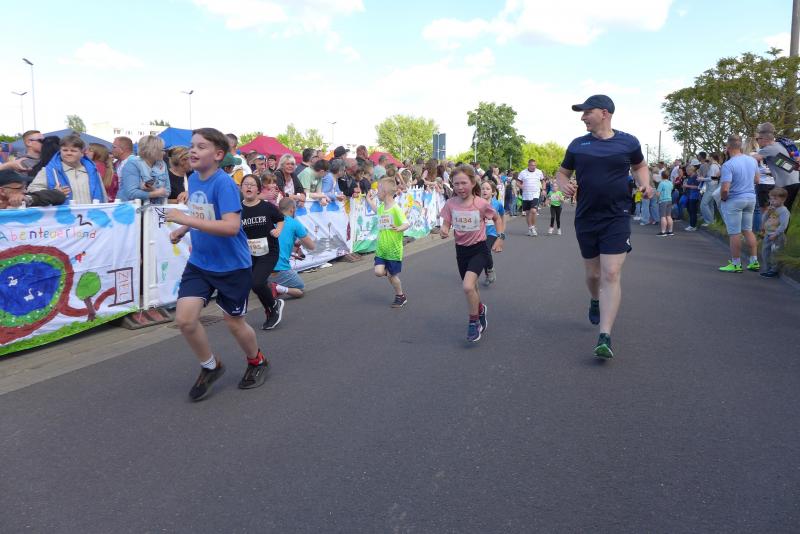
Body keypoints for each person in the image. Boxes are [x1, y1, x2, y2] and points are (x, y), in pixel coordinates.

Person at [165, 127, 266, 400]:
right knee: (185, 320)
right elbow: (203, 214)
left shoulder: (224, 184)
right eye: (192, 145)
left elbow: (231, 227)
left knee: (234, 323)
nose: (193, 150)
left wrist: (184, 220)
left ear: (218, 154)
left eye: (201, 146)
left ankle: (257, 360)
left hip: (231, 266)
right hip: (200, 262)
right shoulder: (193, 179)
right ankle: (211, 366)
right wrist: (183, 230)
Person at [556, 94, 653, 359]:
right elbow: (562, 172)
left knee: (611, 273)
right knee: (593, 275)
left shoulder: (628, 142)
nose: (582, 117)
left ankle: (605, 336)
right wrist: (563, 184)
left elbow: (640, 166)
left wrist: (645, 183)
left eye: (587, 112)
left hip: (617, 216)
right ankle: (595, 299)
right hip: (586, 216)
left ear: (604, 113)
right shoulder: (578, 145)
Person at [439, 165, 504, 343]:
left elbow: (497, 218)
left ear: (473, 182)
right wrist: (444, 230)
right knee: (472, 288)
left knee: (467, 286)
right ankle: (480, 309)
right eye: (456, 184)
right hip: (461, 251)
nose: (460, 187)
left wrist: (500, 238)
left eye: (464, 183)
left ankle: (473, 322)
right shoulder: (451, 203)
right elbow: (446, 223)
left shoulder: (481, 203)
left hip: (479, 249)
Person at [240, 174, 286, 329]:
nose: (249, 187)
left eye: (252, 185)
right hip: (250, 253)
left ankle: (273, 306)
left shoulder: (266, 207)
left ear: (258, 190)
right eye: (246, 184)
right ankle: (271, 309)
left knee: (257, 283)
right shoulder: (238, 210)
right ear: (241, 188)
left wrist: (278, 230)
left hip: (269, 251)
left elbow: (280, 219)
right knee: (256, 284)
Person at [718, 134, 759, 273]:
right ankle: (754, 261)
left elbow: (725, 189)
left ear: (728, 146)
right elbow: (757, 180)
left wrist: (723, 198)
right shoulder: (752, 160)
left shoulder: (728, 165)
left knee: (734, 232)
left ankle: (736, 263)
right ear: (740, 145)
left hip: (734, 199)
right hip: (751, 198)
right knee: (747, 230)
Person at [366, 178, 410, 307]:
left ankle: (400, 296)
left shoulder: (395, 209)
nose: (376, 193)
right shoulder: (381, 207)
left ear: (384, 192)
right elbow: (376, 210)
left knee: (392, 277)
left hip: (393, 250)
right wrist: (369, 200)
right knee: (378, 272)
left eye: (378, 190)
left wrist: (399, 228)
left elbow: (406, 223)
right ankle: (390, 273)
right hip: (381, 249)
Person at [29, 134, 107, 204]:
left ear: (82, 153)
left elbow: (103, 195)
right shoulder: (48, 171)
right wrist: (53, 193)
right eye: (65, 150)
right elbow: (32, 189)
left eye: (73, 151)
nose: (68, 153)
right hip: (64, 215)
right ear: (60, 151)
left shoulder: (92, 171)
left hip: (91, 214)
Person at [269, 197, 316, 298]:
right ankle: (278, 288)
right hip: (279, 268)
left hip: (262, 268)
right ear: (292, 209)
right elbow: (311, 246)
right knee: (301, 290)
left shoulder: (269, 220)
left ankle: (271, 285)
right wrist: (302, 241)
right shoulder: (294, 223)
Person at [118, 135, 170, 205]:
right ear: (152, 150)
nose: (164, 153)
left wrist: (154, 190)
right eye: (162, 150)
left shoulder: (162, 164)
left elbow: (168, 191)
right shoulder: (133, 164)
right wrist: (155, 193)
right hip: (133, 209)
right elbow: (131, 193)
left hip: (155, 208)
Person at [759, 187, 791, 278]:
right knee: (765, 252)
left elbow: (783, 225)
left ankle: (774, 270)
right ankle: (767, 268)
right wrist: (767, 213)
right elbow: (764, 219)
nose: (772, 201)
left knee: (775, 253)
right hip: (768, 234)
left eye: (775, 199)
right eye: (771, 199)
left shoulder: (784, 211)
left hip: (777, 236)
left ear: (783, 199)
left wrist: (776, 234)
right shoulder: (771, 209)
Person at [480, 180, 506, 285]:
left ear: (493, 192)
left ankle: (490, 270)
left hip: (493, 232)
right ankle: (488, 274)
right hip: (480, 232)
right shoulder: (477, 203)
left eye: (487, 189)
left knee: (486, 249)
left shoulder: (497, 204)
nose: (484, 191)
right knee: (482, 254)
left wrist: (502, 233)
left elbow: (502, 216)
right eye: (482, 188)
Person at [0, 168, 66, 209]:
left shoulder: (25, 198)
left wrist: (29, 199)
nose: (25, 191)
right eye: (19, 188)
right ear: (2, 191)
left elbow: (59, 196)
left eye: (24, 187)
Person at [515, 159, 543, 236]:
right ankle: (530, 228)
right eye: (532, 165)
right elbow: (517, 182)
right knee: (527, 213)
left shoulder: (539, 172)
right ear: (528, 165)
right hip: (526, 195)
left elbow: (543, 181)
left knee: (533, 211)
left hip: (535, 194)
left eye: (535, 165)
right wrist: (521, 186)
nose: (534, 167)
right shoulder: (523, 173)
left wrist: (543, 189)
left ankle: (533, 227)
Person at [699, 153, 721, 226]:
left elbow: (713, 178)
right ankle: (711, 221)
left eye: (709, 157)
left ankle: (709, 221)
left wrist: (702, 179)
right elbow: (715, 177)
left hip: (711, 187)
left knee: (703, 204)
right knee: (710, 204)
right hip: (713, 186)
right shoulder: (717, 165)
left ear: (712, 158)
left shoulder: (713, 166)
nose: (708, 158)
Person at [683, 164, 701, 231]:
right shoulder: (689, 177)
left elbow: (698, 187)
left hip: (694, 196)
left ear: (691, 170)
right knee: (689, 210)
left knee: (693, 211)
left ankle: (693, 226)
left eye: (687, 171)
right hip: (689, 195)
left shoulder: (696, 177)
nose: (686, 172)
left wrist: (687, 186)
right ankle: (691, 225)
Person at [656, 170, 674, 236]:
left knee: (663, 216)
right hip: (669, 200)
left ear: (661, 176)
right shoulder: (670, 183)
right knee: (669, 216)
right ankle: (670, 231)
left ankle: (663, 232)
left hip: (663, 200)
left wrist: (657, 200)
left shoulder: (661, 183)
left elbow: (658, 193)